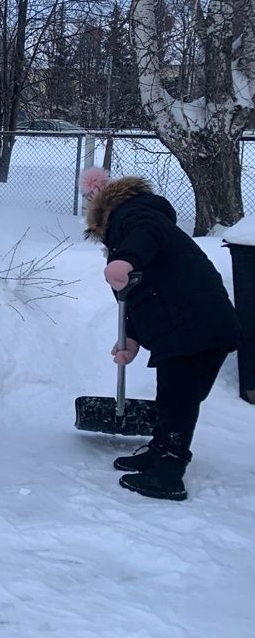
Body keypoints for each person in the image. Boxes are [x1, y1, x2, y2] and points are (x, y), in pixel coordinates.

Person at [81, 167, 239, 501]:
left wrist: (125, 258)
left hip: (195, 322)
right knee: (173, 395)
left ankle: (170, 471)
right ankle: (160, 450)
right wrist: (132, 338)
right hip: (189, 323)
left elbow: (144, 235)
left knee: (179, 397)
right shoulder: (129, 226)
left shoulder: (134, 214)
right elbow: (137, 293)